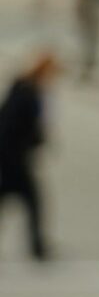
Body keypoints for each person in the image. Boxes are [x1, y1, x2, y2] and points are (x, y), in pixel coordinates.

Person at [0, 49, 57, 263]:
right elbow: (8, 127)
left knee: (22, 202)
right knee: (33, 201)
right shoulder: (26, 93)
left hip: (12, 158)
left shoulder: (25, 90)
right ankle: (37, 248)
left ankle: (37, 247)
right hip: (12, 159)